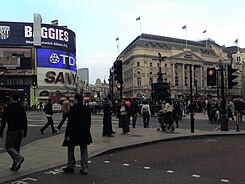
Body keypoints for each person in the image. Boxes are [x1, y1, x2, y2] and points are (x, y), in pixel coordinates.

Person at [62, 93, 93, 174]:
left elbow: (70, 123)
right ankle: (84, 168)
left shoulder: (73, 109)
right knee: (84, 149)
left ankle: (71, 166)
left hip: (73, 132)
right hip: (84, 132)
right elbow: (89, 122)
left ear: (76, 99)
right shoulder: (86, 109)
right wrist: (87, 131)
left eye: (74, 99)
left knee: (70, 148)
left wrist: (67, 134)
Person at [0, 93, 27, 171]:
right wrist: (25, 131)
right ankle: (15, 165)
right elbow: (25, 120)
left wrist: (1, 131)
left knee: (9, 147)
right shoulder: (21, 107)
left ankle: (18, 158)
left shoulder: (8, 107)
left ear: (11, 98)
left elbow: (4, 120)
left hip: (12, 129)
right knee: (16, 148)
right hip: (20, 130)